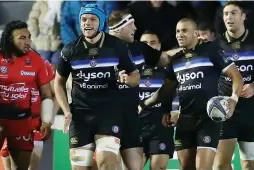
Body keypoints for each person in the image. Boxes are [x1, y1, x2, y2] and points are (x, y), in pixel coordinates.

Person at [140, 18, 244, 170]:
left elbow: (237, 78)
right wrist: (165, 110)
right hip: (185, 121)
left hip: (208, 120)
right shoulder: (174, 61)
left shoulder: (211, 50)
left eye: (184, 31)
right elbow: (166, 90)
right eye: (177, 31)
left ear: (196, 33)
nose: (179, 35)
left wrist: (233, 101)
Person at [54, 4, 140, 170]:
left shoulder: (116, 46)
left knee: (106, 161)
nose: (87, 23)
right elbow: (58, 82)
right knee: (80, 165)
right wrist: (66, 111)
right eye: (84, 19)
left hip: (108, 114)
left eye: (92, 19)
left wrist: (127, 79)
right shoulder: (70, 50)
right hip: (80, 115)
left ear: (100, 22)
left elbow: (135, 76)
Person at [0, 20, 54, 170]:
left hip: (21, 122)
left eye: (29, 37)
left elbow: (46, 95)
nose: (27, 42)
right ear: (10, 39)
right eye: (22, 38)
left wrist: (46, 121)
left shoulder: (37, 61)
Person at [107, 9, 179, 170]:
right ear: (119, 28)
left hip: (133, 119)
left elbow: (165, 58)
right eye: (131, 24)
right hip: (107, 118)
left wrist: (190, 48)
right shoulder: (99, 48)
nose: (135, 28)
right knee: (108, 165)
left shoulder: (139, 49)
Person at [214, 2, 254, 170]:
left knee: (250, 166)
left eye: (233, 13)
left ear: (243, 16)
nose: (228, 17)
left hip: (251, 111)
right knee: (220, 166)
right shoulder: (216, 45)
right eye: (225, 14)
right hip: (225, 111)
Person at [0, 60, 56, 170]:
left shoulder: (43, 65)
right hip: (12, 123)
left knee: (31, 168)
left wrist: (48, 119)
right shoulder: (5, 64)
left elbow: (55, 93)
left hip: (35, 124)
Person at [138, 31, 175, 169]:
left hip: (161, 127)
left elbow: (175, 92)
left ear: (159, 46)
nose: (149, 46)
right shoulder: (130, 68)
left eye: (153, 43)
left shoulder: (169, 69)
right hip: (136, 126)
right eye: (145, 44)